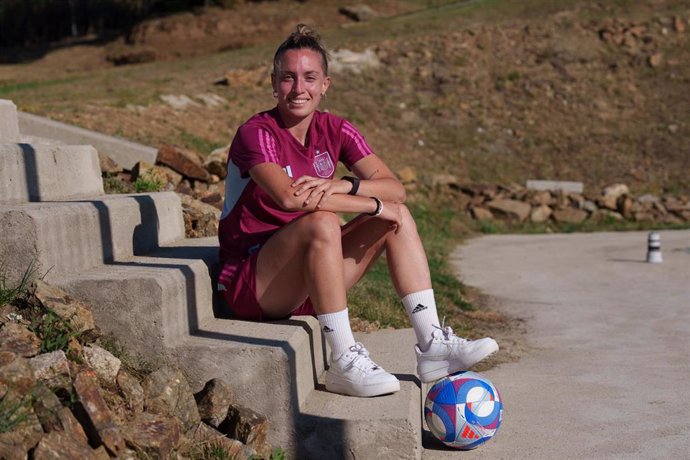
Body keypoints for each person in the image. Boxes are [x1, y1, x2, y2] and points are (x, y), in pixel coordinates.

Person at [218, 24, 498, 398]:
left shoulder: (336, 129)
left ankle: (433, 346)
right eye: (288, 78)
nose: (298, 88)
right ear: (273, 82)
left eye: (309, 78)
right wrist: (372, 204)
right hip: (254, 283)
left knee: (396, 217)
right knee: (324, 221)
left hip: (311, 279)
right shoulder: (257, 132)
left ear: (325, 85)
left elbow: (394, 186)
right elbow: (289, 199)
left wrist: (345, 185)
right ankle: (344, 360)